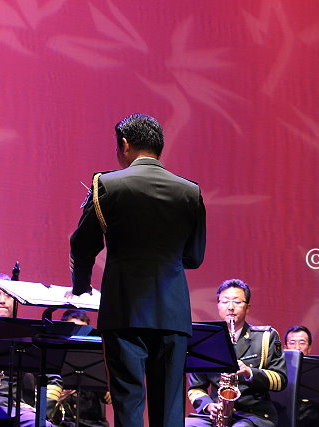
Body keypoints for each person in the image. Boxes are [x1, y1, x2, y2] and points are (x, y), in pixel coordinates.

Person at [68, 113, 207, 427]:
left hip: (124, 310)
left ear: (125, 145)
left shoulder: (107, 184)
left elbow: (82, 245)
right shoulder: (190, 191)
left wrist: (80, 287)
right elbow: (195, 257)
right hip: (173, 314)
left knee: (128, 404)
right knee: (169, 409)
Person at [186, 279, 287, 427]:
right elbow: (196, 388)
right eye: (225, 302)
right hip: (217, 414)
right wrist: (208, 406)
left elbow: (280, 380)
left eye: (237, 302)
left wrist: (249, 372)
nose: (231, 307)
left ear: (247, 307)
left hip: (254, 415)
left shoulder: (266, 337)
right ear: (218, 305)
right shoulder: (205, 340)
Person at [0, 273, 61, 427]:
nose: (2, 300)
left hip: (16, 409)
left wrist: (41, 412)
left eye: (8, 296)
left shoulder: (25, 335)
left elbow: (53, 377)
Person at [51, 309, 110, 427]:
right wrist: (59, 395)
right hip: (62, 423)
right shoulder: (54, 359)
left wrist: (97, 377)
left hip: (94, 424)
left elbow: (109, 400)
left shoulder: (98, 359)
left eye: (83, 332)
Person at [283, 325, 319, 427]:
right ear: (285, 347)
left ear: (309, 348)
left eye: (302, 343)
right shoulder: (278, 370)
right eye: (292, 343)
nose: (297, 347)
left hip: (312, 422)